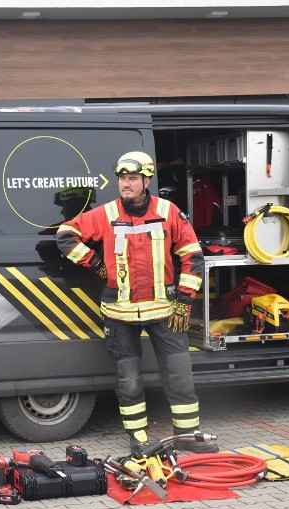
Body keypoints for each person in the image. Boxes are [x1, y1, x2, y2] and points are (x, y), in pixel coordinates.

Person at [57, 151, 219, 455]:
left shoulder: (168, 211)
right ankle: (138, 438)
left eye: (132, 178)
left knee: (179, 372)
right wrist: (94, 263)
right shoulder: (105, 214)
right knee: (128, 378)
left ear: (146, 180)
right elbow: (66, 235)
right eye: (121, 178)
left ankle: (186, 435)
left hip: (164, 310)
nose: (125, 184)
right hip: (119, 312)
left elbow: (192, 256)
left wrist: (185, 302)